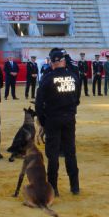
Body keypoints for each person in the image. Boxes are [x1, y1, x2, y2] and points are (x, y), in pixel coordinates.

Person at [35, 49, 80, 196]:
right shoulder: (73, 77)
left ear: (52, 62)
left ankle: (53, 188)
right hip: (69, 118)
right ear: (63, 61)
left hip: (52, 119)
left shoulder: (47, 79)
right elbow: (77, 99)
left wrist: (43, 120)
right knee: (70, 153)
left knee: (52, 155)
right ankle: (75, 186)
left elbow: (39, 103)